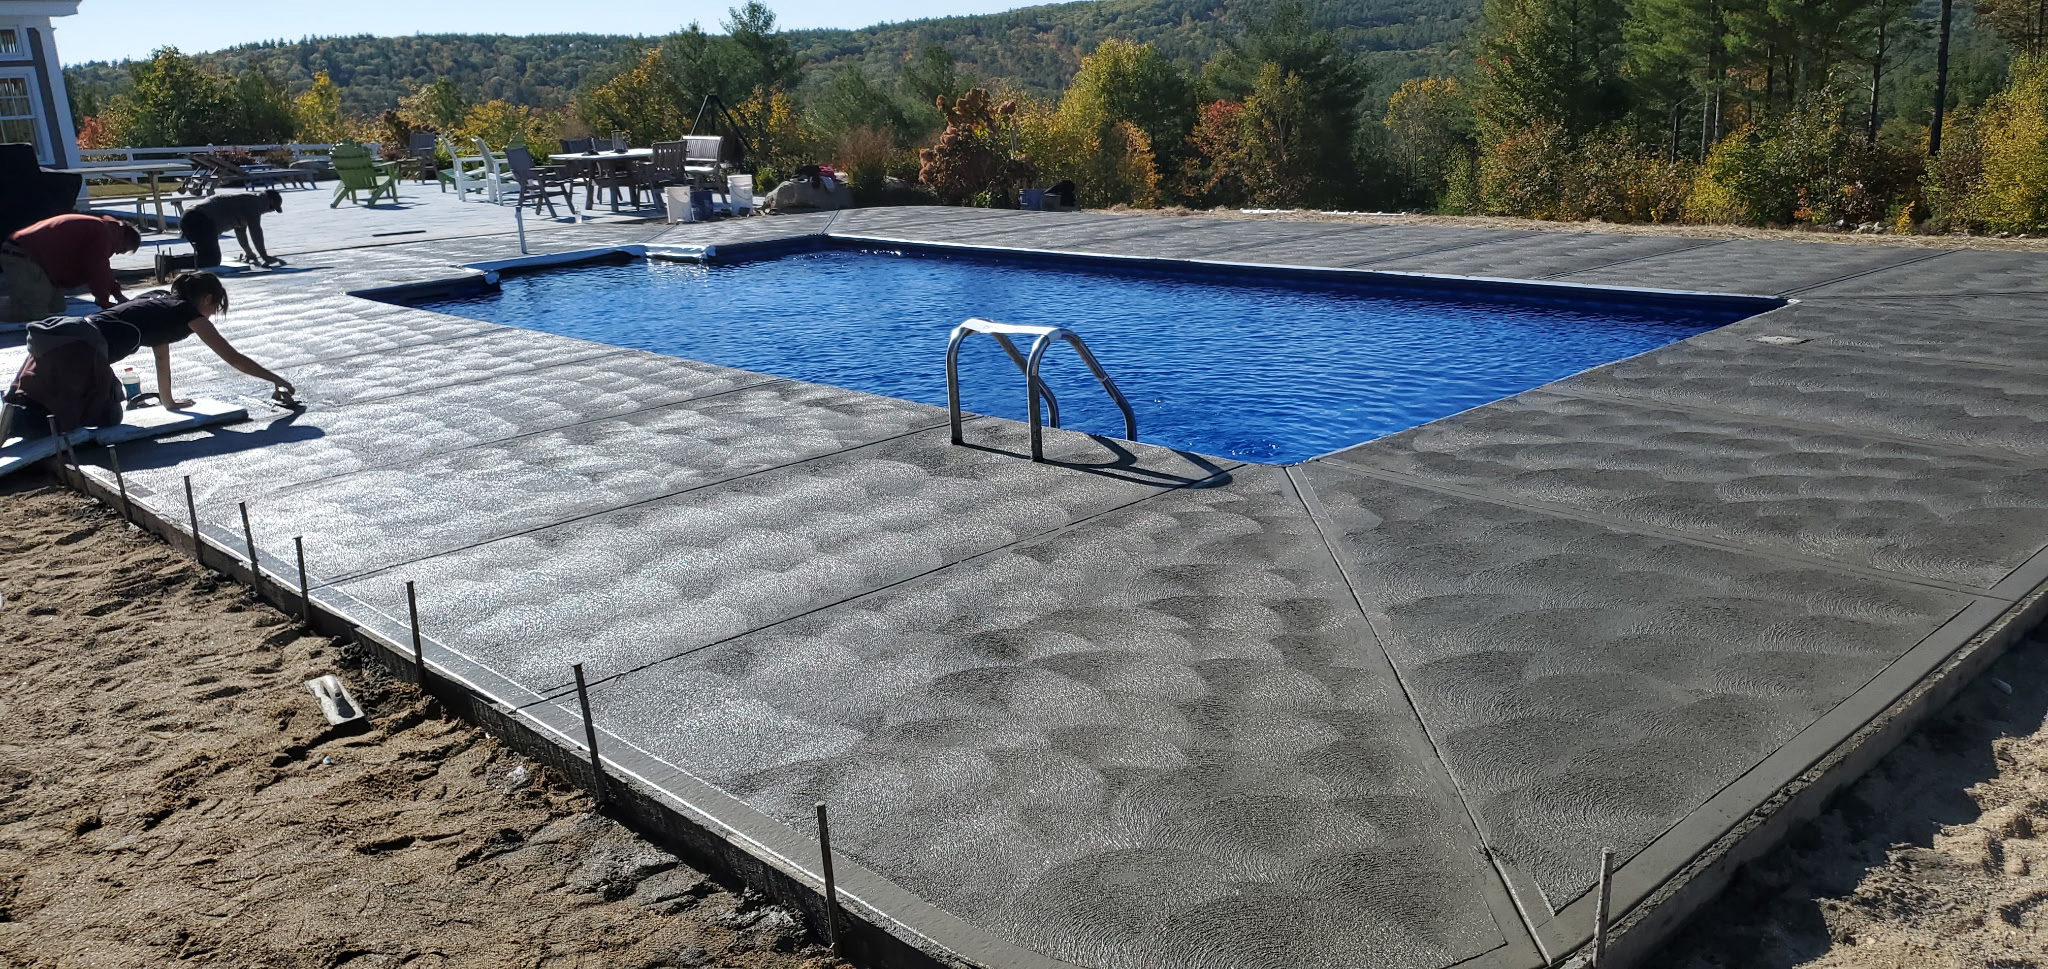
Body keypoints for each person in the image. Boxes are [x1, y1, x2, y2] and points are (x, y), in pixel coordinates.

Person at [2, 271, 294, 436]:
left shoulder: (159, 304)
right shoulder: (189, 315)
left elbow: (161, 356)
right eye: (216, 306)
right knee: (104, 416)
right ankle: (27, 421)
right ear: (207, 299)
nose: (213, 313)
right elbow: (234, 358)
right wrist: (277, 380)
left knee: (43, 396)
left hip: (66, 339)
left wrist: (169, 402)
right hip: (80, 351)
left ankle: (24, 417)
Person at [0, 213, 141, 321]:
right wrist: (104, 301)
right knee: (34, 312)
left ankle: (19, 301)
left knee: (56, 307)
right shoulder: (102, 233)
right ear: (124, 237)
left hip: (37, 260)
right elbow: (97, 269)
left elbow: (102, 268)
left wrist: (117, 294)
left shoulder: (103, 229)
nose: (117, 252)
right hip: (23, 255)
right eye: (123, 249)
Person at [179, 189, 285, 269]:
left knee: (207, 257)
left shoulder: (246, 202)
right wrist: (264, 255)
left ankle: (170, 262)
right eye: (271, 208)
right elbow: (255, 231)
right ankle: (170, 263)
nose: (268, 211)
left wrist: (249, 252)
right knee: (211, 260)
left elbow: (240, 231)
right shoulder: (254, 203)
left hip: (192, 217)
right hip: (199, 218)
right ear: (267, 199)